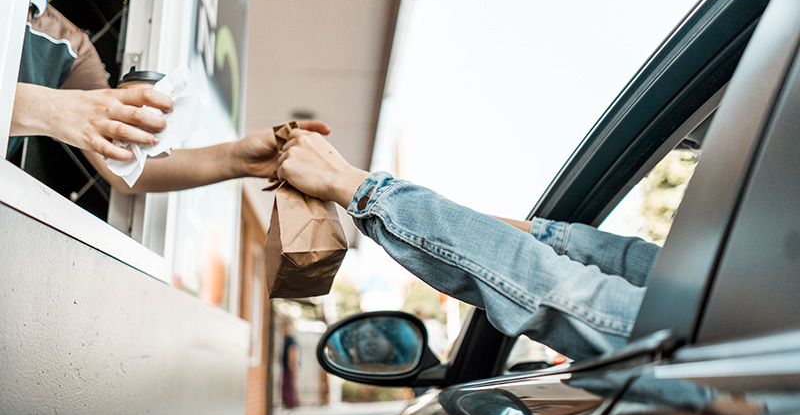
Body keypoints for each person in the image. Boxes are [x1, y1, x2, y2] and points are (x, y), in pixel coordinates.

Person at [275, 130, 662, 361]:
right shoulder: (714, 286)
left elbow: (570, 298)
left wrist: (357, 188)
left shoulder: (713, 333)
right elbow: (601, 253)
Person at [9, 0, 330, 214]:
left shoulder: (71, 47)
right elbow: (68, 114)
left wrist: (236, 159)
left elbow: (124, 167)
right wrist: (51, 109)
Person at [280, 322, 299, 410]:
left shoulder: (290, 339)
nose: (283, 331)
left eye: (284, 329)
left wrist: (291, 365)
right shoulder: (287, 339)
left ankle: (291, 406)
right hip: (287, 367)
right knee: (288, 386)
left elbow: (293, 351)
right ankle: (291, 405)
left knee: (287, 386)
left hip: (288, 368)